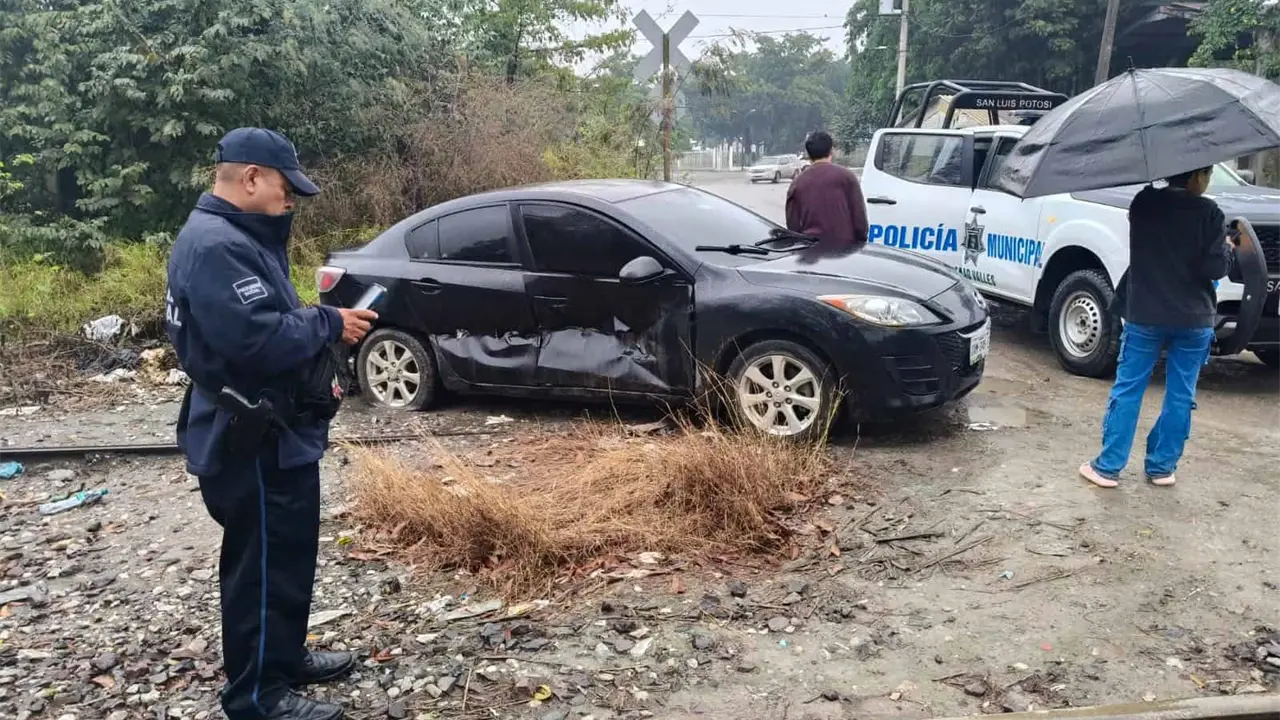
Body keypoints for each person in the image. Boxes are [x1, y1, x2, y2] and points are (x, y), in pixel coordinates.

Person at [165, 128, 378, 720]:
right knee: (259, 564)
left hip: (273, 430)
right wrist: (328, 324)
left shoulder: (235, 236)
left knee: (285, 553)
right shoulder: (216, 246)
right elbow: (256, 337)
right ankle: (256, 696)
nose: (292, 201)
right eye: (287, 188)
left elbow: (259, 318)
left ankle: (281, 659)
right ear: (251, 177)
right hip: (247, 433)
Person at [1079, 166, 1236, 489]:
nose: (1206, 181)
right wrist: (1229, 250)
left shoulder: (1144, 203)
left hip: (1145, 314)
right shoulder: (1210, 212)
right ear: (1194, 177)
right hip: (1194, 320)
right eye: (1206, 174)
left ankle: (1108, 468)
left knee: (1129, 389)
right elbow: (1215, 268)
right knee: (1180, 395)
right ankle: (1162, 468)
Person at [785, 130, 869, 248]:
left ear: (808, 154)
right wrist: (860, 244)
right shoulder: (847, 176)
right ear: (831, 150)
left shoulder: (797, 183)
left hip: (810, 251)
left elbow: (792, 225)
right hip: (844, 250)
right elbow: (859, 220)